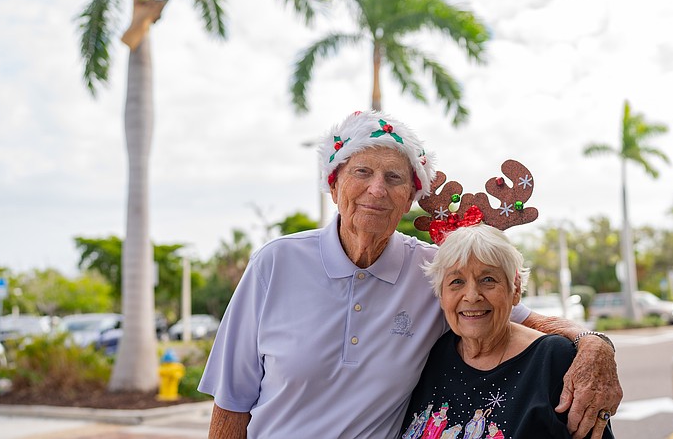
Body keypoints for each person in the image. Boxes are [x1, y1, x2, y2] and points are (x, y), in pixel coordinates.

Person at [198, 111, 621, 438]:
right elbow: (232, 403)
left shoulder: (437, 274)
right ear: (334, 185)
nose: (377, 189)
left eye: (394, 178)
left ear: (409, 199)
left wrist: (594, 347)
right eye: (362, 172)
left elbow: (527, 320)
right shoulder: (275, 264)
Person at [400, 222, 615, 438]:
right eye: (457, 281)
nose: (472, 295)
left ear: (515, 290)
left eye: (488, 280)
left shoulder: (553, 360)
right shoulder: (431, 354)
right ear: (441, 296)